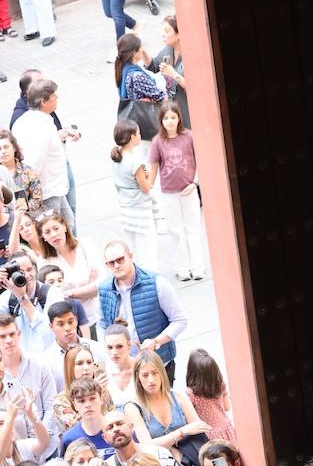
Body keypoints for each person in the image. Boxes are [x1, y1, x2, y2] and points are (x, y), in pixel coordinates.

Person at [97, 239, 187, 384]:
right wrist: (107, 348)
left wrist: (156, 342)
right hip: (125, 369)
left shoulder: (157, 283)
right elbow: (101, 324)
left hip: (158, 365)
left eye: (120, 260)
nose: (116, 265)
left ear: (130, 256)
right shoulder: (104, 289)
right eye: (111, 263)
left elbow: (180, 320)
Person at [124, 349, 209, 466]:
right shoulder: (133, 407)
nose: (151, 380)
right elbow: (147, 446)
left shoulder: (178, 396)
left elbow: (199, 428)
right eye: (145, 375)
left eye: (155, 373)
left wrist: (168, 440)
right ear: (137, 378)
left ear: (162, 373)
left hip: (193, 464)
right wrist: (182, 432)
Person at [146, 103, 204, 282]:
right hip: (169, 192)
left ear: (179, 118)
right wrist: (148, 187)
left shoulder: (189, 136)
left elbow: (200, 160)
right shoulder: (157, 141)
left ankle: (198, 266)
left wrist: (195, 183)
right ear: (161, 120)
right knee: (176, 230)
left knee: (193, 228)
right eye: (166, 118)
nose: (170, 121)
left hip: (189, 190)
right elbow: (153, 165)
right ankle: (182, 268)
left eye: (173, 117)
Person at [12, 81, 72, 226]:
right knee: (55, 231)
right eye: (53, 96)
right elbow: (33, 164)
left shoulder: (27, 120)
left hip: (54, 190)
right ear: (44, 101)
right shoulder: (40, 126)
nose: (57, 97)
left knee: (68, 223)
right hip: (46, 193)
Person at [0, 312, 57, 455]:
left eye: (12, 334)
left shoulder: (40, 365)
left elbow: (51, 407)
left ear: (19, 334)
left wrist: (43, 439)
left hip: (47, 449)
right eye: (2, 336)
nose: (9, 340)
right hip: (11, 454)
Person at [34, 210, 101, 331]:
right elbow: (53, 296)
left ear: (64, 227)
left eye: (56, 228)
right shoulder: (44, 261)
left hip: (97, 316)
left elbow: (100, 286)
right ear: (42, 237)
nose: (54, 234)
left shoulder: (85, 245)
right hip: (69, 324)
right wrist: (88, 288)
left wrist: (69, 292)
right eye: (47, 232)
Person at [110, 122, 157, 273]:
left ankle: (134, 273)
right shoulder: (135, 162)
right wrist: (149, 175)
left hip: (125, 208)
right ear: (132, 137)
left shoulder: (116, 157)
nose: (140, 135)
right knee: (147, 248)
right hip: (140, 210)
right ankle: (149, 276)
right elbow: (145, 187)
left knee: (132, 247)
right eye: (138, 133)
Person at [185, 348, 234, 441]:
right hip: (227, 430)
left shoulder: (190, 393)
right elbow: (227, 407)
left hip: (208, 436)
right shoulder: (220, 384)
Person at [59, 376, 110, 457]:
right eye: (82, 401)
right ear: (75, 405)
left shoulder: (116, 429)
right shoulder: (68, 439)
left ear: (101, 399)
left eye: (92, 398)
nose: (88, 405)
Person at [154, 15, 190, 128]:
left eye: (167, 31)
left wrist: (173, 74)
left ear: (179, 34)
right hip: (173, 110)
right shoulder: (167, 50)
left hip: (187, 109)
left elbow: (195, 89)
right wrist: (142, 52)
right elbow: (153, 66)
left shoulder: (190, 55)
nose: (163, 35)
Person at [114, 31, 167, 107]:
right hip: (142, 116)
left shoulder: (123, 68)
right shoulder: (137, 76)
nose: (143, 49)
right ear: (134, 53)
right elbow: (161, 97)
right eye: (141, 47)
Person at [0, 130, 41, 217]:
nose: (3, 151)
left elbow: (37, 199)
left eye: (6, 147)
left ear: (14, 148)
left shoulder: (28, 171)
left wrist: (23, 209)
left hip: (27, 220)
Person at [102, 323, 136, 406]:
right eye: (110, 347)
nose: (114, 352)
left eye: (119, 346)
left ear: (129, 345)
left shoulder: (142, 368)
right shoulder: (103, 373)